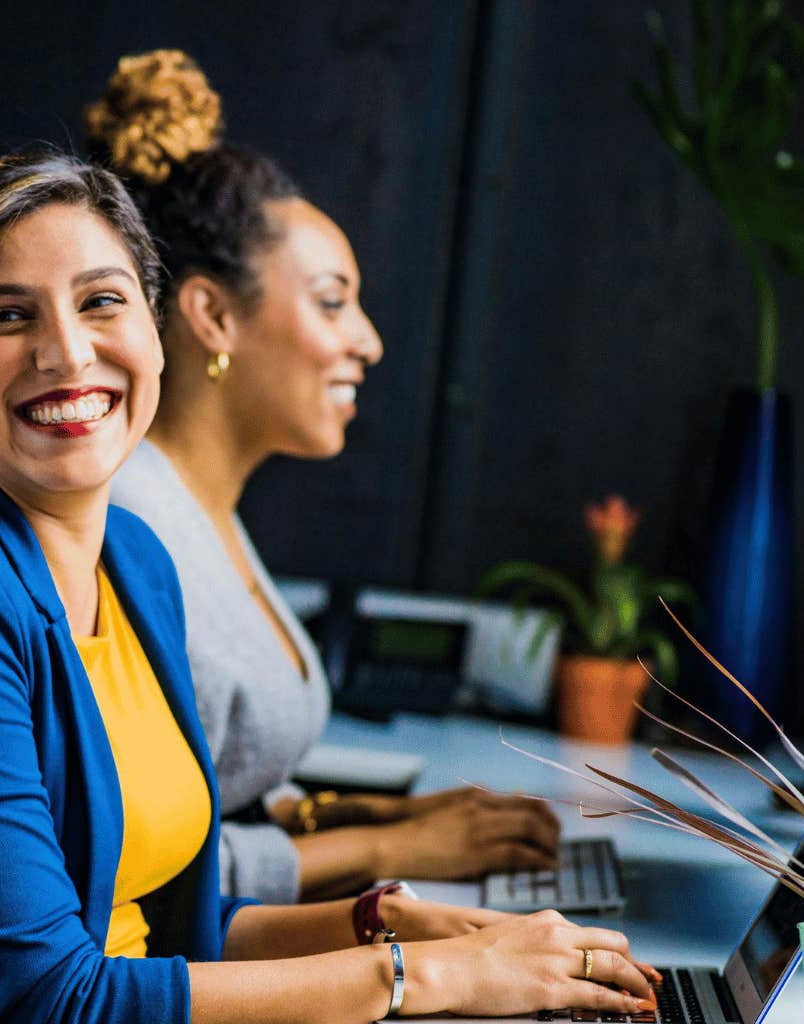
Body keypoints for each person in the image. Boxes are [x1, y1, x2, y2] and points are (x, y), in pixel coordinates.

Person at [0, 149, 657, 1024]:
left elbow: (171, 934)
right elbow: (52, 1018)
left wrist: (383, 921)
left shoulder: (136, 563)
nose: (68, 350)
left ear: (156, 336)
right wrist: (419, 974)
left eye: (102, 301)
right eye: (6, 316)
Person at [92, 50, 562, 905]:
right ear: (213, 315)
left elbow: (221, 796)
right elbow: (144, 874)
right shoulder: (131, 529)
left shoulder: (203, 512)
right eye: (332, 301)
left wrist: (376, 818)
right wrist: (399, 848)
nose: (369, 341)